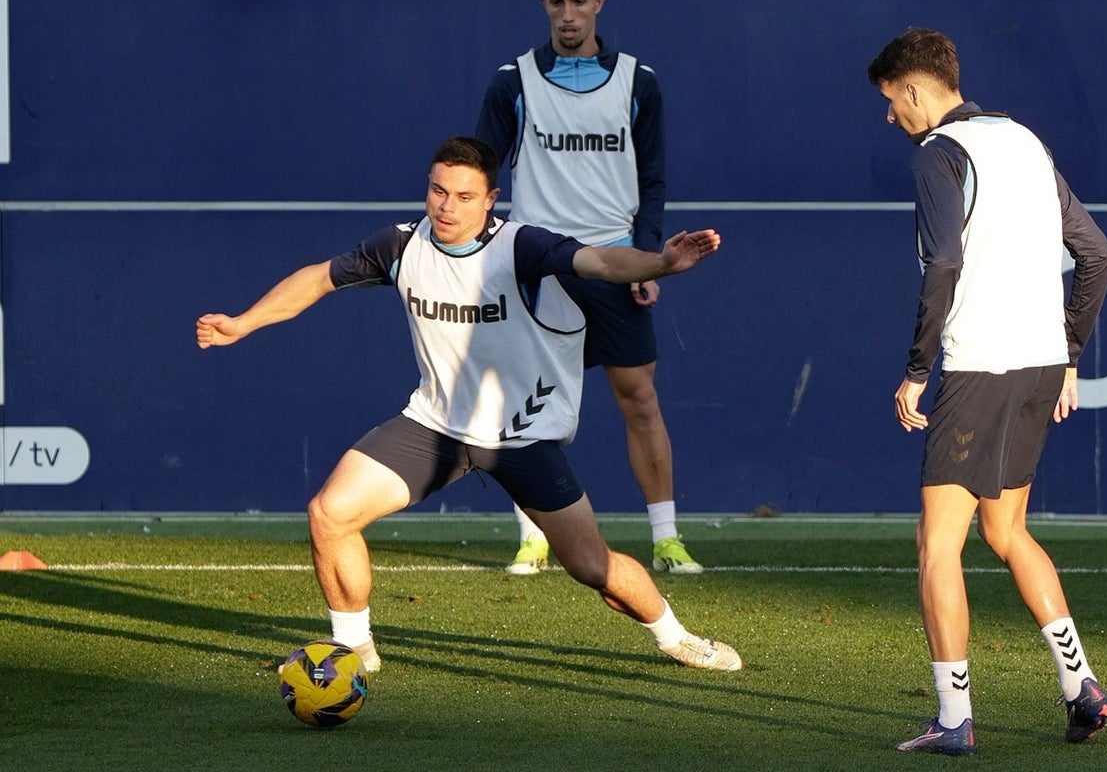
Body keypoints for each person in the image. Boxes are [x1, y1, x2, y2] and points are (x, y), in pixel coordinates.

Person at [194, 136, 741, 674]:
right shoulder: (400, 245)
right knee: (329, 514)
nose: (446, 206)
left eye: (462, 196)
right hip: (434, 427)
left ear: (489, 200)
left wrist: (660, 265)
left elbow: (600, 262)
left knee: (592, 566)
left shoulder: (521, 247)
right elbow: (318, 278)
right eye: (437, 191)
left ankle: (678, 638)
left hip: (521, 437)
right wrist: (242, 323)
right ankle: (352, 653)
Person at [866, 28, 1107, 755]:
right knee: (1006, 533)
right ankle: (1082, 687)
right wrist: (1068, 354)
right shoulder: (1024, 139)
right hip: (1039, 365)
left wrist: (917, 369)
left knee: (936, 542)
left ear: (914, 90)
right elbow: (1095, 254)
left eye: (891, 102)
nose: (890, 117)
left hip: (977, 367)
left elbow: (942, 260)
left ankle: (953, 718)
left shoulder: (937, 153)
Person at [475, 0, 703, 576]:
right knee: (527, 405)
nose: (568, 14)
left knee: (639, 398)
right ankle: (533, 538)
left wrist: (651, 263)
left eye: (579, 1)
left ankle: (666, 538)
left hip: (616, 260)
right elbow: (482, 177)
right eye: (556, 3)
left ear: (599, 2)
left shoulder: (639, 82)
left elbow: (651, 179)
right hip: (541, 263)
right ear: (543, 5)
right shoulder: (512, 82)